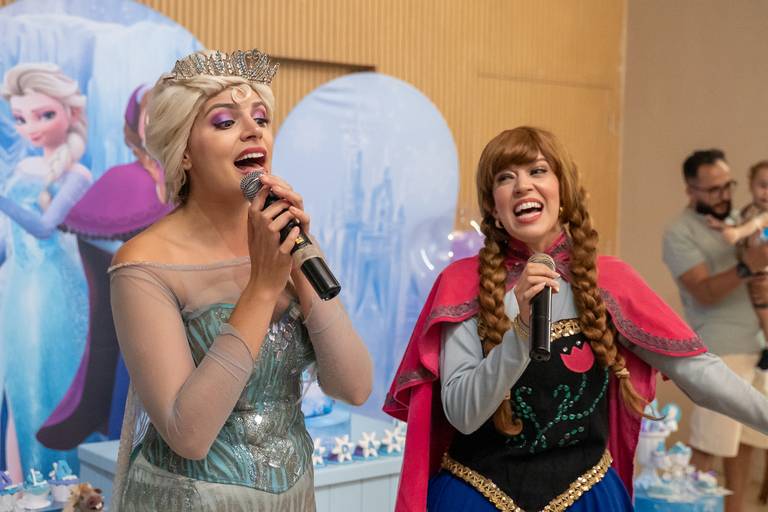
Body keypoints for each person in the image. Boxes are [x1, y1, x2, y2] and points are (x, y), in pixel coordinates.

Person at [384, 127, 768, 511]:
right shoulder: (460, 285)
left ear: (563, 191)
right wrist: (520, 331)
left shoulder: (611, 282)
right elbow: (463, 415)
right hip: (477, 497)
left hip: (587, 499)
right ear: (493, 207)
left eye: (537, 171)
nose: (522, 185)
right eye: (505, 177)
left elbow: (698, 372)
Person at [108, 49, 372, 511]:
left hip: (295, 498)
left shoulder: (284, 239)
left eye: (261, 118)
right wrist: (263, 288)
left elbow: (354, 386)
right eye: (226, 122)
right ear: (183, 151)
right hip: (194, 500)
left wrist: (297, 258)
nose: (253, 130)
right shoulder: (143, 264)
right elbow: (188, 435)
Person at [663, 149, 768, 512]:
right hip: (720, 351)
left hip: (757, 346)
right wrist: (747, 266)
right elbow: (703, 292)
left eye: (728, 186)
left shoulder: (739, 220)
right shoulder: (679, 232)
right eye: (713, 190)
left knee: (745, 445)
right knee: (708, 445)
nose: (724, 196)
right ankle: (682, 507)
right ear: (690, 190)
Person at [0, 63, 92, 473]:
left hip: (52, 289)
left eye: (44, 115)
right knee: (18, 384)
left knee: (49, 382)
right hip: (17, 287)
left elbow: (43, 227)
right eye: (21, 119)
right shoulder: (22, 169)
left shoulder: (77, 174)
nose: (31, 128)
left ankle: (57, 480)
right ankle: (20, 484)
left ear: (71, 113)